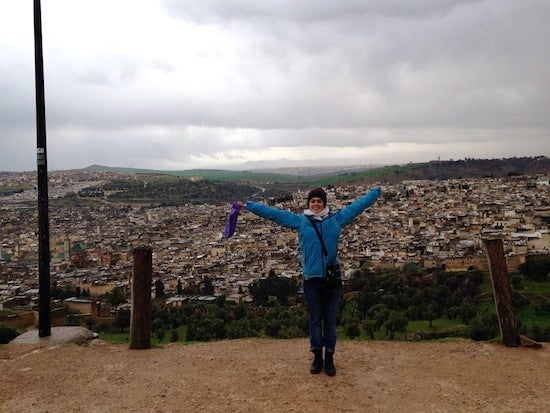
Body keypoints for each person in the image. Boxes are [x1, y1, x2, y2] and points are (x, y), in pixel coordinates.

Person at [237, 185, 381, 376]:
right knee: (315, 320)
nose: (315, 204)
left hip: (331, 279)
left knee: (329, 321)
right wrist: (250, 205)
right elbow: (275, 214)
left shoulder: (336, 220)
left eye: (319, 201)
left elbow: (357, 206)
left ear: (324, 204)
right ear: (308, 203)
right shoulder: (301, 221)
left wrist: (375, 192)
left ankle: (329, 358)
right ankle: (317, 357)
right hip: (312, 279)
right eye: (312, 201)